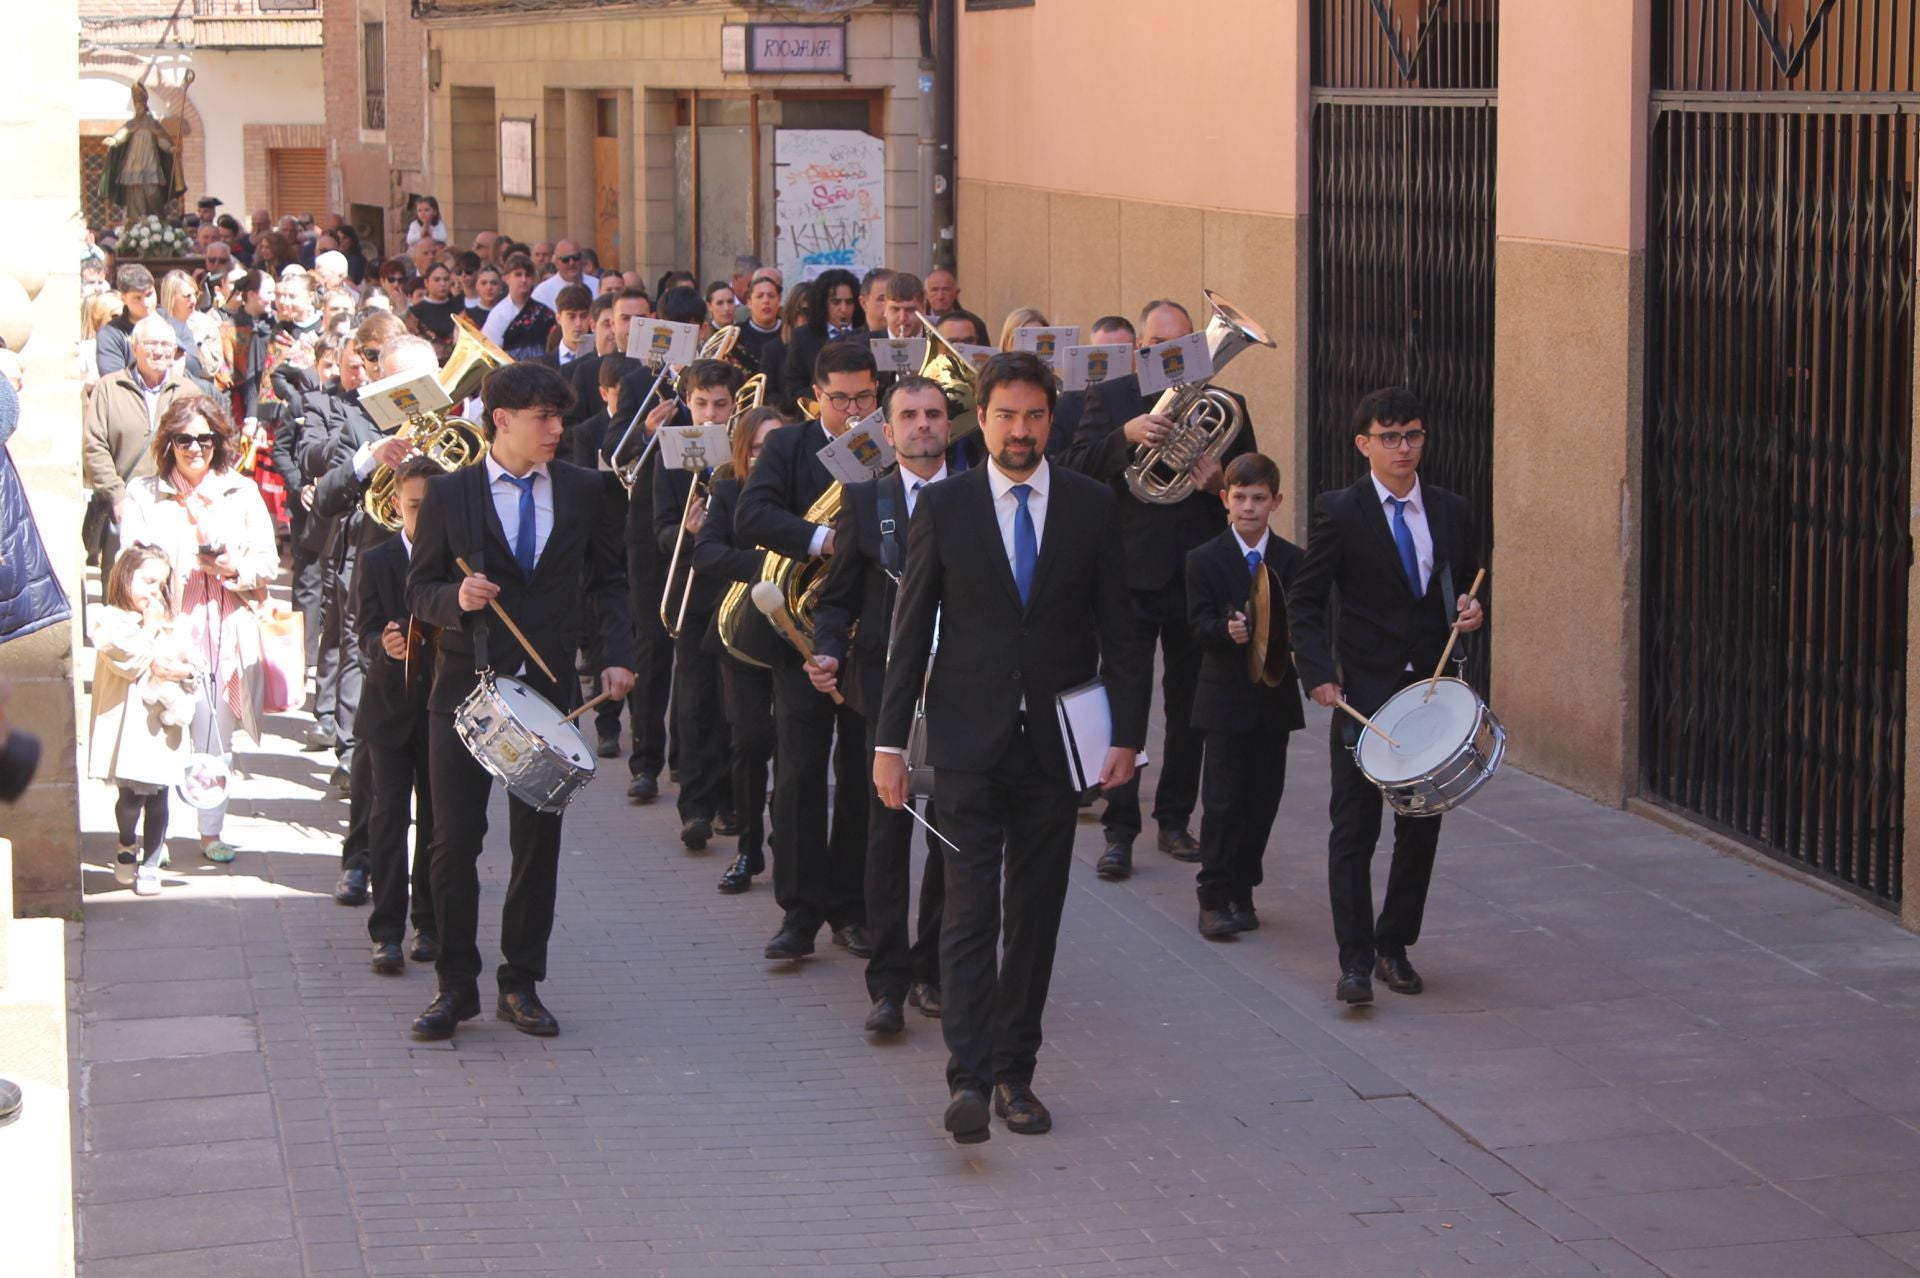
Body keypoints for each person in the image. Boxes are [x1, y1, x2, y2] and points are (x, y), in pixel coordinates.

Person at [872, 351, 1144, 1145]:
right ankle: (967, 1079)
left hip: (1057, 751)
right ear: (981, 420)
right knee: (967, 911)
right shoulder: (947, 507)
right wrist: (891, 744)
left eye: (1032, 417)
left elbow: (1122, 633)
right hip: (963, 743)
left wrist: (1127, 734)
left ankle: (1014, 1075)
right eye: (1004, 416)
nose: (1019, 431)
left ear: (1049, 422)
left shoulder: (1094, 506)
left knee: (1034, 915)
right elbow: (909, 634)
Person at [403, 360, 635, 1040]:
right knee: (453, 842)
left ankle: (520, 982)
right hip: (464, 697)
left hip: (548, 698)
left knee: (538, 844)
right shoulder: (451, 495)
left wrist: (618, 655)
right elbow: (418, 591)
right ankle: (454, 986)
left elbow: (611, 582)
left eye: (561, 417)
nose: (558, 430)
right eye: (544, 418)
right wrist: (457, 599)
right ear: (501, 421)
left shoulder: (587, 489)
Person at [1289, 386, 1485, 1005]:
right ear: (1363, 444)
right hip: (1363, 696)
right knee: (1353, 828)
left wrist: (1474, 611)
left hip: (1428, 691)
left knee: (1419, 824)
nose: (1404, 449)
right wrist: (1317, 671)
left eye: (1414, 436)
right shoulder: (1339, 511)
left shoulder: (1452, 508)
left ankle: (1393, 946)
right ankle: (1352, 960)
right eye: (1391, 438)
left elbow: (1469, 587)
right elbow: (1306, 598)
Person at [1063, 298, 1252, 881]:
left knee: (1190, 703)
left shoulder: (1229, 406)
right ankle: (1120, 829)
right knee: (1127, 701)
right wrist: (1125, 435)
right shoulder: (1113, 397)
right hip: (1128, 572)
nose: (1172, 358)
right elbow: (1074, 465)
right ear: (1142, 351)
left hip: (1196, 574)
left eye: (1183, 347)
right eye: (1159, 348)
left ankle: (1174, 819)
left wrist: (1220, 481)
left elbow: (1249, 485)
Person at [808, 375, 953, 1034]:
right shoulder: (866, 500)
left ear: (948, 424)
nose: (923, 425)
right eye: (910, 417)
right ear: (887, 432)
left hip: (956, 695)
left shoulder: (977, 496)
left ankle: (936, 970)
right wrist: (829, 648)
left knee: (953, 842)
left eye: (934, 414)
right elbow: (837, 596)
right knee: (886, 840)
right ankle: (888, 983)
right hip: (883, 695)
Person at [737, 340, 883, 962]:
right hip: (798, 635)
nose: (854, 411)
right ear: (816, 396)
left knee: (860, 776)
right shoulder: (791, 446)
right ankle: (798, 912)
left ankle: (850, 906)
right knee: (797, 772)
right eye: (841, 398)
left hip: (865, 637)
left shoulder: (888, 442)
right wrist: (827, 539)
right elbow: (752, 514)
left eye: (865, 398)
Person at [120, 396, 276, 865]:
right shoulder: (144, 494)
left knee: (215, 734)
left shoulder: (242, 492)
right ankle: (156, 836)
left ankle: (211, 830)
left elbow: (267, 561)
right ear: (168, 443)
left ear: (218, 443)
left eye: (204, 439)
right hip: (166, 628)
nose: (194, 449)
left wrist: (232, 567)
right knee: (163, 732)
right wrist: (176, 568)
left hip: (226, 630)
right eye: (183, 439)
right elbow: (127, 565)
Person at [1184, 452, 1304, 939]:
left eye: (1259, 498)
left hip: (1273, 698)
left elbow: (1304, 621)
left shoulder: (1293, 561)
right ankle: (1213, 895)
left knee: (1263, 798)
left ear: (1276, 501)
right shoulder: (1204, 558)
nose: (1249, 507)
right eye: (1240, 498)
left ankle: (1243, 887)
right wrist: (1223, 630)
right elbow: (1195, 626)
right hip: (1224, 697)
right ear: (1224, 500)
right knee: (1223, 798)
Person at [650, 359, 744, 850]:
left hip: (737, 592)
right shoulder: (673, 452)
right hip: (693, 592)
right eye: (701, 403)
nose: (710, 414)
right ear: (687, 402)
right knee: (696, 702)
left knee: (737, 706)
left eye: (721, 404)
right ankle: (697, 807)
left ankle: (732, 799)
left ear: (735, 405)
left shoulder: (748, 450)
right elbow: (659, 528)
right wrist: (683, 531)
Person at [356, 456, 442, 974]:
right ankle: (386, 930)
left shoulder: (457, 560)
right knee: (388, 819)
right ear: (396, 507)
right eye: (414, 508)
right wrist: (382, 644)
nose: (424, 518)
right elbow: (362, 630)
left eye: (432, 508)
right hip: (388, 710)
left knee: (437, 821)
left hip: (439, 711)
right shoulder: (378, 558)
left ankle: (428, 925)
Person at [695, 404, 782, 894]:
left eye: (777, 448)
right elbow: (705, 552)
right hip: (741, 635)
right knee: (749, 742)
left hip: (797, 639)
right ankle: (750, 849)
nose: (767, 457)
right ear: (743, 453)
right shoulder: (727, 491)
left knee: (794, 751)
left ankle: (788, 847)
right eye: (757, 449)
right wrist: (768, 565)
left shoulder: (803, 493)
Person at [90, 544, 196, 896]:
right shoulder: (109, 620)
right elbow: (133, 658)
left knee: (159, 797)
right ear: (125, 575)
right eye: (148, 581)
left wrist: (187, 671)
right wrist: (151, 629)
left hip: (162, 726)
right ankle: (125, 843)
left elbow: (189, 663)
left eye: (161, 584)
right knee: (130, 799)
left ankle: (150, 865)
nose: (154, 591)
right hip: (126, 727)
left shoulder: (170, 622)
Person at [82, 315, 199, 570]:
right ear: (134, 346)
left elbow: (201, 447)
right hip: (124, 507)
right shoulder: (109, 388)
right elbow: (94, 445)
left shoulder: (188, 392)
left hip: (175, 508)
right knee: (122, 589)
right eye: (151, 343)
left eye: (166, 345)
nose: (159, 351)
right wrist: (117, 496)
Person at [780, 269, 860, 409]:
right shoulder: (803, 337)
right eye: (835, 302)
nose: (843, 309)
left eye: (849, 302)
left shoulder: (864, 333)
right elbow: (792, 390)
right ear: (823, 303)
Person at [483, 255, 557, 360]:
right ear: (506, 278)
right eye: (518, 274)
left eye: (528, 275)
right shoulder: (498, 315)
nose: (524, 279)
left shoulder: (545, 313)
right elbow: (490, 353)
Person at [530, 239, 601, 310]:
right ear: (556, 263)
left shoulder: (597, 285)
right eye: (565, 259)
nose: (571, 263)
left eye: (576, 257)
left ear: (582, 259)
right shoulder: (542, 292)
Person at [734, 273, 784, 374]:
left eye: (771, 296)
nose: (766, 301)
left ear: (779, 300)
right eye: (760, 296)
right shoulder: (736, 336)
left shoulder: (790, 333)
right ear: (749, 302)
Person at [881, 272, 927, 339]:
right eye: (895, 309)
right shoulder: (862, 347)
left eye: (910, 310)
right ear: (885, 308)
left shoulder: (940, 346)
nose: (902, 318)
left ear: (923, 308)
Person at [858, 268, 895, 334]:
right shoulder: (847, 342)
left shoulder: (914, 340)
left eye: (894, 300)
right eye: (882, 299)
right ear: (864, 303)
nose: (890, 307)